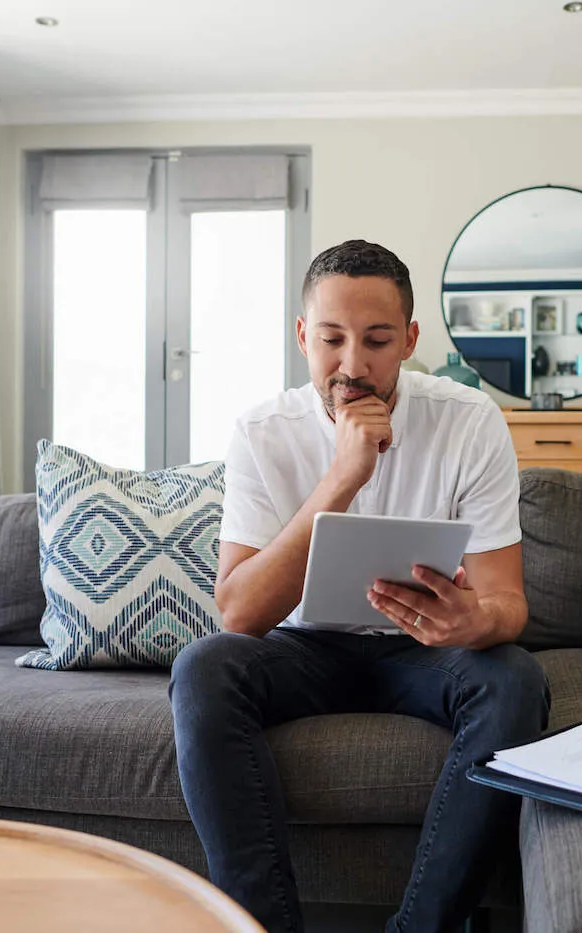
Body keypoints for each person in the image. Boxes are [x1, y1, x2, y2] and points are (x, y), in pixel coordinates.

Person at [169, 240, 550, 933]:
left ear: (408, 339)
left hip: (421, 652)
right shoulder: (262, 431)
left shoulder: (469, 422)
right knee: (204, 667)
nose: (352, 365)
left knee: (515, 680)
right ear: (300, 337)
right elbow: (240, 611)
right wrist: (343, 476)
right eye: (331, 340)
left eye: (376, 340)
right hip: (302, 650)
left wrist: (475, 622)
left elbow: (508, 604)